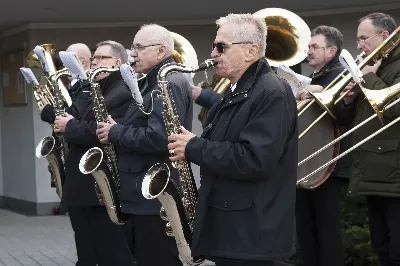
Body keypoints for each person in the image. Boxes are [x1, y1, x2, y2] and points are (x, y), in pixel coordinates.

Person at [167, 13, 298, 266]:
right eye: (214, 46)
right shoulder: (238, 89)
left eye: (221, 47)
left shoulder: (271, 91)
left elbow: (254, 159)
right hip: (235, 227)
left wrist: (194, 147)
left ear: (251, 51)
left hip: (250, 233)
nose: (213, 53)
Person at [95, 24, 192, 266]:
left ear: (161, 51)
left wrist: (116, 132)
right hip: (145, 194)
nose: (132, 53)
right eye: (133, 46)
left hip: (153, 197)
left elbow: (160, 138)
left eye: (139, 47)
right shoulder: (155, 80)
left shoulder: (165, 81)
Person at [54, 40, 136, 266]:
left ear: (117, 62)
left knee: (112, 251)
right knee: (88, 250)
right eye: (94, 57)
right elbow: (79, 117)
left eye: (101, 58)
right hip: (84, 184)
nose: (94, 62)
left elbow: (105, 130)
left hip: (103, 185)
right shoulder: (95, 86)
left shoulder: (124, 90)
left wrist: (70, 126)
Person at [335, 12, 400, 266]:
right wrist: (350, 99)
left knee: (396, 251)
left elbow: (393, 108)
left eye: (364, 39)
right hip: (372, 170)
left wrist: (369, 78)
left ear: (384, 36)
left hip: (394, 172)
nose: (359, 45)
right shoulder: (376, 65)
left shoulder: (388, 67)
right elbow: (352, 118)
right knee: (381, 246)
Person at [295, 25, 350, 266]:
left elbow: (344, 114)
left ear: (332, 51)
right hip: (311, 161)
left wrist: (320, 90)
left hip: (329, 164)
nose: (309, 51)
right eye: (309, 46)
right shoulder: (318, 76)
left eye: (315, 47)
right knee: (307, 230)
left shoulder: (341, 73)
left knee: (326, 231)